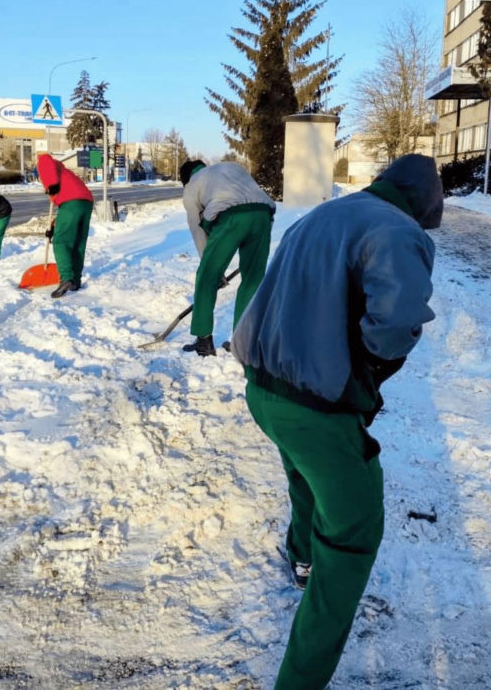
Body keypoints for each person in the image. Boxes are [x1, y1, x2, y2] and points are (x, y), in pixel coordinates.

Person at [230, 154, 444, 689]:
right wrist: (370, 362)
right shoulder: (397, 231)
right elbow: (394, 327)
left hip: (263, 389)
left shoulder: (323, 215)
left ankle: (300, 554)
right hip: (316, 407)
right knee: (353, 534)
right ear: (424, 202)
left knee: (303, 473)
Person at [179, 159, 275, 357]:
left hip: (231, 218)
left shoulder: (191, 186)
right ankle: (244, 342)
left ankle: (204, 340)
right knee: (253, 280)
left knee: (206, 278)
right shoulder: (230, 167)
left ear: (186, 178)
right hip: (264, 215)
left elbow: (198, 230)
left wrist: (214, 271)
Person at [36, 153, 94, 298]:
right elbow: (66, 211)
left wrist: (52, 186)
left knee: (61, 242)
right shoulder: (64, 174)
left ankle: (66, 278)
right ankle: (75, 281)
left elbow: (44, 159)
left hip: (72, 201)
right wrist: (54, 226)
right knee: (78, 243)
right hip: (85, 202)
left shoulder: (50, 170)